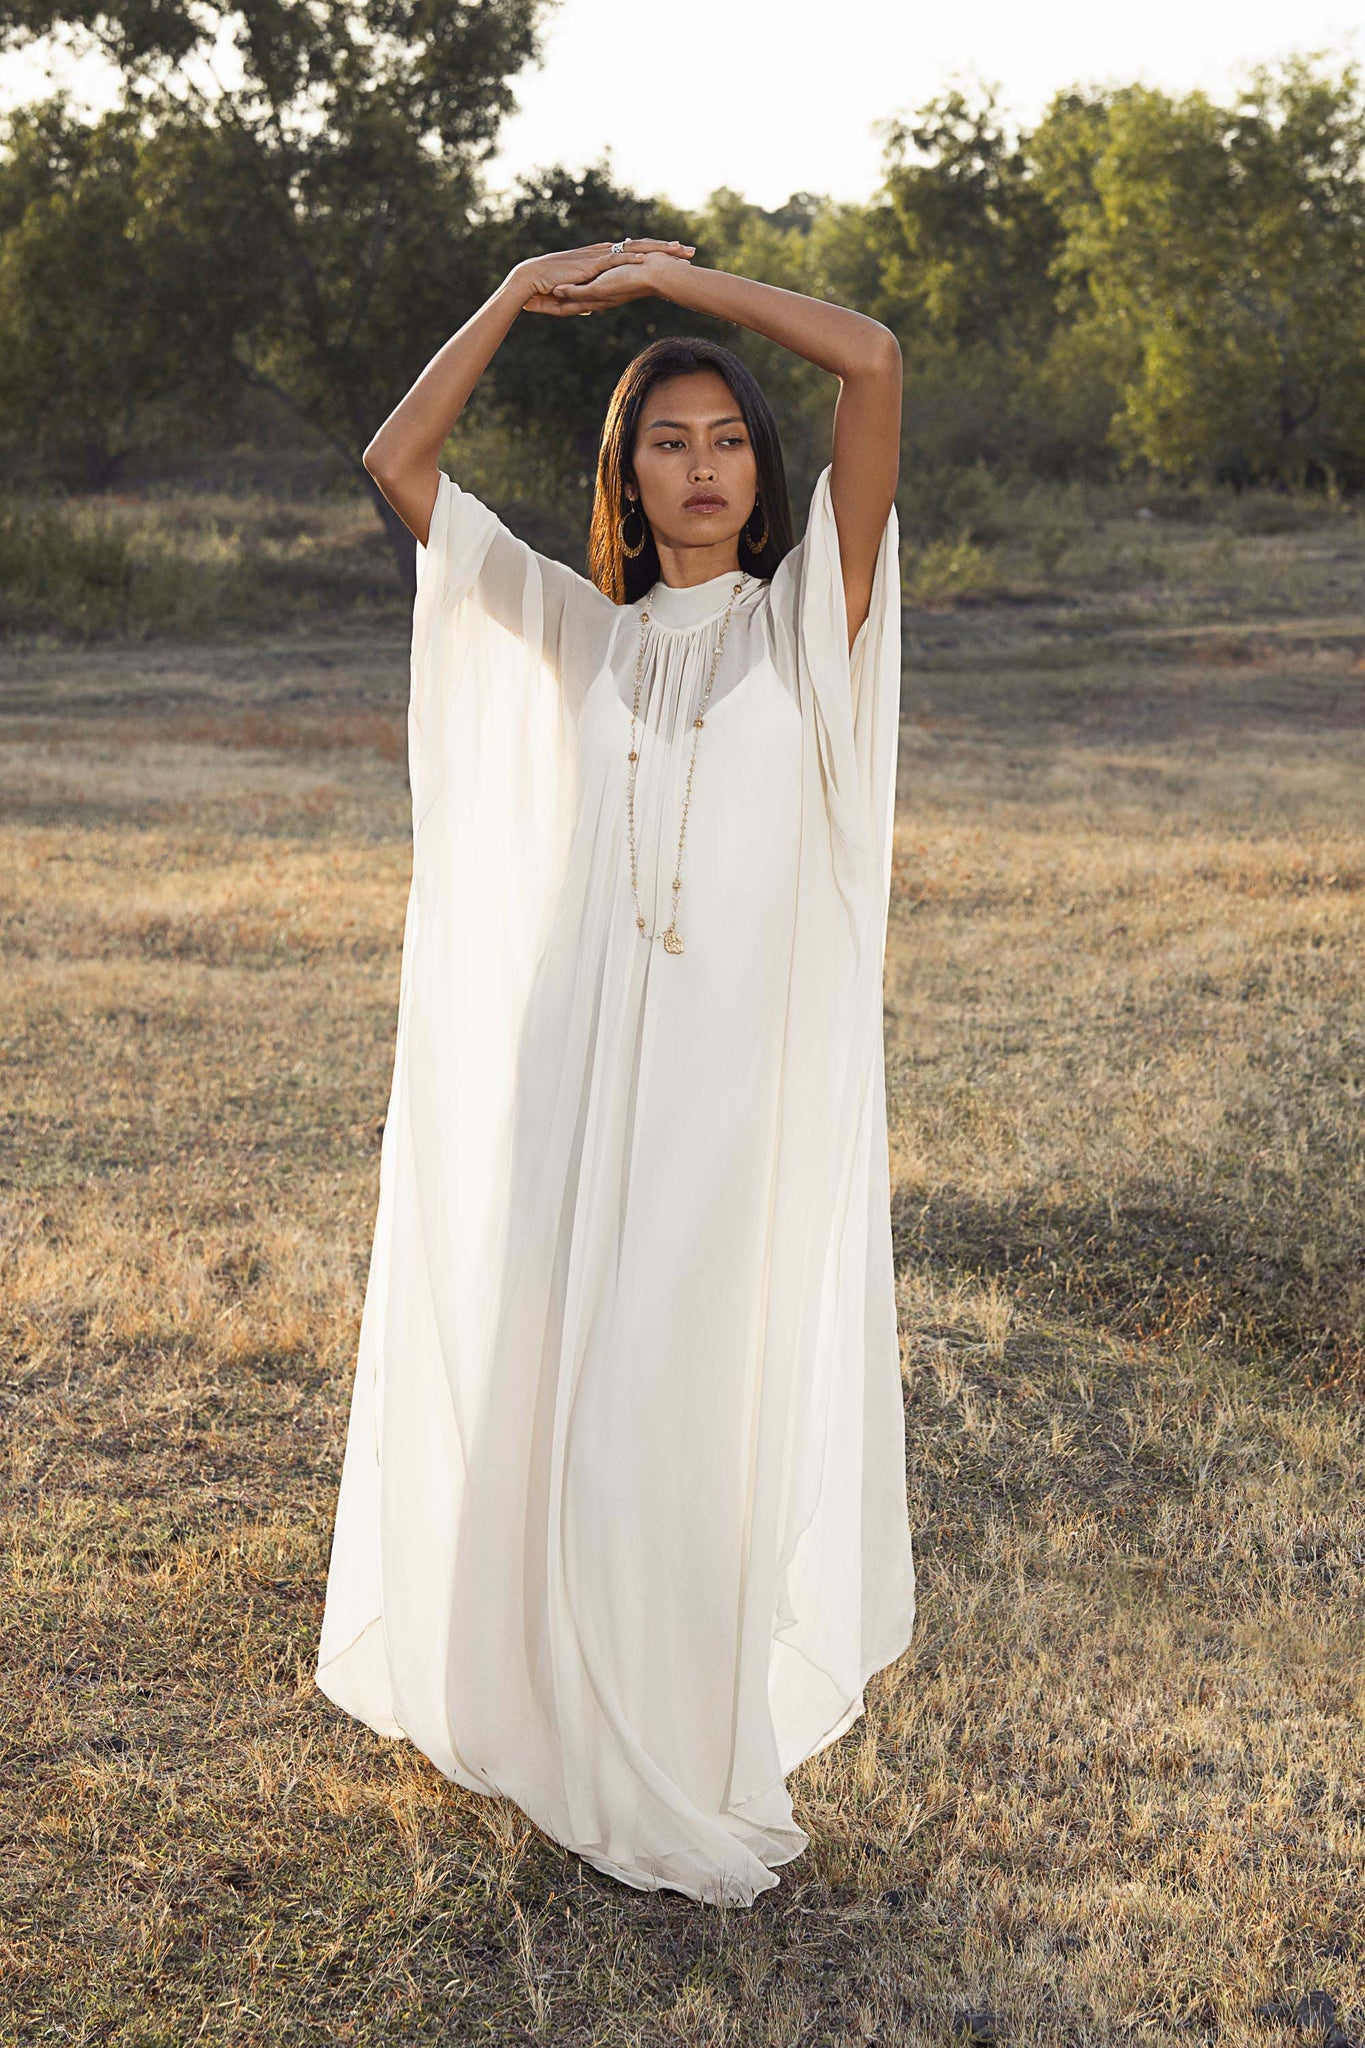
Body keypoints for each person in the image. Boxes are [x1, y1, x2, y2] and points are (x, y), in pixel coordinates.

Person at [314, 236, 916, 1908]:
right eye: (668, 441)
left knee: (679, 1410)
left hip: (731, 1097)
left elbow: (868, 358)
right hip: (578, 1072)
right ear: (625, 476)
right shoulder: (579, 633)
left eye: (726, 437)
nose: (704, 466)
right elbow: (397, 462)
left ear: (757, 467)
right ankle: (564, 1724)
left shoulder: (815, 620)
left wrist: (689, 290)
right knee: (564, 1399)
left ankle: (683, 1740)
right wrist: (514, 296)